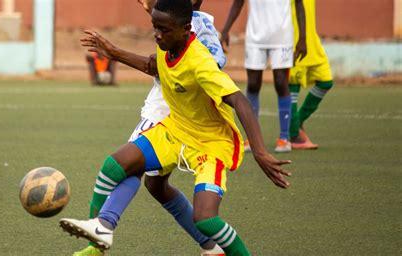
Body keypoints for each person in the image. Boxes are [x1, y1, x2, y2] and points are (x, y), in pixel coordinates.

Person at [60, 0, 291, 255]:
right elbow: (154, 65)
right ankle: (100, 229)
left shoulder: (200, 62)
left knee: (206, 219)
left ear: (185, 29)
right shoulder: (167, 42)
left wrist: (259, 151)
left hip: (210, 143)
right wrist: (113, 52)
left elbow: (240, 101)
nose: (157, 34)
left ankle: (221, 248)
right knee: (114, 166)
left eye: (164, 29)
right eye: (154, 27)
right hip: (175, 130)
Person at [74, 0, 228, 255]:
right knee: (157, 187)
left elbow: (156, 65)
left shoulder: (199, 30)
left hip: (169, 108)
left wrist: (114, 52)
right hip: (177, 106)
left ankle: (98, 236)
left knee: (125, 166)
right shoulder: (178, 18)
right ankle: (211, 246)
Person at [220, 0, 307, 153]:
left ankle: (284, 138)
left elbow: (299, 5)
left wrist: (302, 38)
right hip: (255, 36)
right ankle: (252, 139)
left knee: (281, 83)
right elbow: (238, 3)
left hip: (282, 36)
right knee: (253, 84)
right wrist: (226, 30)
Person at [289, 0, 334, 149]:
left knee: (326, 81)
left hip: (311, 41)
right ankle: (293, 135)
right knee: (293, 85)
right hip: (294, 40)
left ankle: (298, 120)